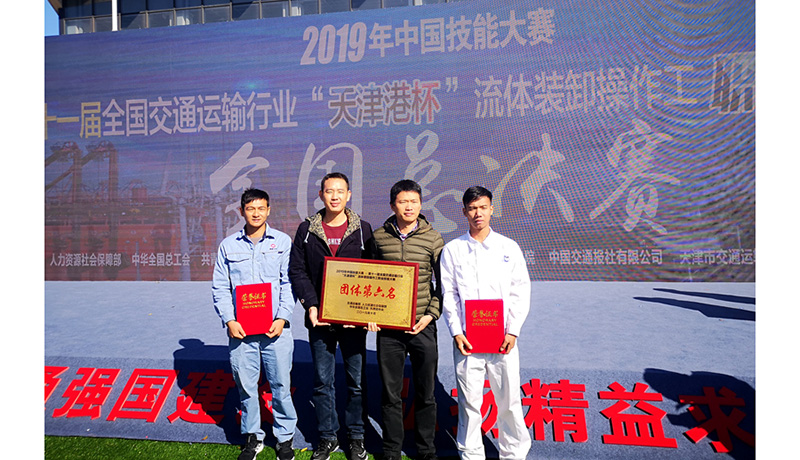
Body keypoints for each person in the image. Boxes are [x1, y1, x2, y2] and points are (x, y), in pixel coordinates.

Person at [440, 186, 532, 460]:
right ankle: (471, 454)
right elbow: (449, 294)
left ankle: (514, 453)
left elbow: (520, 291)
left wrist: (513, 331)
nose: (477, 213)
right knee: (469, 402)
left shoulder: (508, 247)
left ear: (492, 209)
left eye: (482, 207)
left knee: (509, 400)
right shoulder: (453, 250)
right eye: (472, 208)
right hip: (468, 341)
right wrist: (456, 332)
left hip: (503, 339)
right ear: (464, 212)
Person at [289, 172, 373, 460]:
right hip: (320, 320)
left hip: (353, 321)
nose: (335, 196)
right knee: (322, 381)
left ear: (349, 195)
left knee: (356, 382)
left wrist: (365, 311)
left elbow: (374, 271)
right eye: (329, 191)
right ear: (321, 195)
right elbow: (297, 270)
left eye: (340, 191)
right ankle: (327, 437)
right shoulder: (307, 230)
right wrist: (311, 305)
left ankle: (357, 437)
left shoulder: (363, 229)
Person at [211, 188, 298, 460]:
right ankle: (253, 437)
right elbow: (220, 286)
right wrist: (229, 320)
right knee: (246, 387)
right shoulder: (228, 246)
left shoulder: (282, 242)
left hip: (276, 330)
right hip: (241, 332)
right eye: (250, 209)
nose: (256, 213)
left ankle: (284, 438)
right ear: (242, 211)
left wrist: (282, 317)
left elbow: (289, 283)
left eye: (261, 208)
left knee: (281, 385)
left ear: (269, 210)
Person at [369, 179, 444, 460]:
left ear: (421, 204)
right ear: (393, 206)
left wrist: (430, 315)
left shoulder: (433, 239)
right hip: (389, 330)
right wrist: (371, 314)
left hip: (423, 326)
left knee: (426, 393)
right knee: (391, 394)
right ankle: (391, 450)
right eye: (403, 202)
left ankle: (426, 450)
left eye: (414, 202)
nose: (409, 207)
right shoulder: (379, 237)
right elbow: (369, 279)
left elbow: (444, 285)